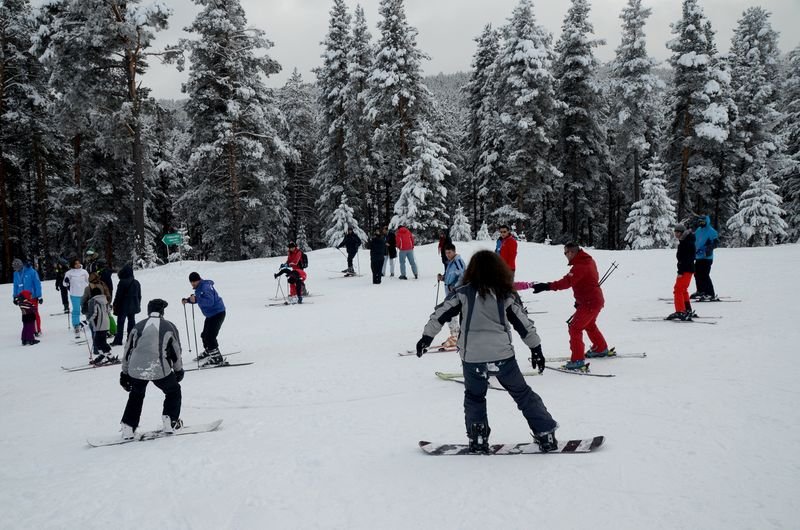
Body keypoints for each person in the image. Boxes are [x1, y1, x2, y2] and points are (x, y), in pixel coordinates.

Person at [415, 250, 558, 453]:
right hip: (503, 356)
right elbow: (523, 323)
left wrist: (426, 337)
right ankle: (546, 433)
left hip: (472, 357)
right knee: (523, 394)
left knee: (475, 397)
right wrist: (536, 348)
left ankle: (479, 437)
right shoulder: (506, 293)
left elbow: (440, 314)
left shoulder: (462, 293)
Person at [519, 242, 609, 372]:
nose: (565, 256)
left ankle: (577, 361)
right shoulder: (587, 260)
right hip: (592, 300)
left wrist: (546, 286)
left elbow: (566, 282)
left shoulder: (581, 266)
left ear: (571, 252)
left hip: (590, 302)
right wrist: (580, 300)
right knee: (589, 324)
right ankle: (600, 348)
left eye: (565, 253)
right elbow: (585, 282)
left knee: (575, 327)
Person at [119, 299, 184, 440]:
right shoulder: (169, 326)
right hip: (159, 368)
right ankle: (170, 421)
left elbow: (128, 349)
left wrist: (124, 373)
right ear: (162, 312)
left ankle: (128, 427)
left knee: (136, 395)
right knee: (173, 391)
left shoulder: (138, 326)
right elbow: (176, 350)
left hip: (136, 369)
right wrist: (178, 370)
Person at [182, 272, 226, 365]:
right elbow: (200, 298)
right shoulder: (199, 287)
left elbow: (209, 302)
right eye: (191, 282)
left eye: (195, 281)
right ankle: (209, 350)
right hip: (211, 314)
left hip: (217, 313)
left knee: (210, 336)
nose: (193, 283)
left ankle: (217, 357)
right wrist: (188, 300)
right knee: (204, 335)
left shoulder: (205, 287)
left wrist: (196, 299)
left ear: (199, 279)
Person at [435, 243, 466, 347]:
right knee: (450, 314)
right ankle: (455, 335)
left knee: (449, 313)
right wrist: (443, 278)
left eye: (449, 252)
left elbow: (462, 276)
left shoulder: (458, 262)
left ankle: (456, 336)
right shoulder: (451, 262)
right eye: (446, 253)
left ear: (454, 251)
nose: (447, 255)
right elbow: (451, 276)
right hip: (450, 293)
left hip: (456, 293)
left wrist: (455, 287)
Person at [668, 223, 696, 321]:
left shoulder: (686, 243)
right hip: (688, 269)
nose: (675, 234)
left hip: (686, 270)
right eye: (675, 232)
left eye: (677, 232)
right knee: (683, 289)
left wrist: (680, 271)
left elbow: (686, 258)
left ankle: (680, 311)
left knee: (678, 289)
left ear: (681, 232)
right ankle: (687, 309)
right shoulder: (686, 240)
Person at [111, 264, 142, 346]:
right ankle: (130, 338)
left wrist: (115, 304)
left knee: (120, 323)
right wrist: (138, 304)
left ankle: (118, 340)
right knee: (131, 322)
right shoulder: (136, 282)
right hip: (133, 306)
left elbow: (118, 295)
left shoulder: (122, 282)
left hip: (123, 306)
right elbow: (139, 295)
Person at [692, 215, 720, 301]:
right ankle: (700, 291)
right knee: (697, 274)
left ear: (707, 222)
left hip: (707, 258)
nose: (701, 223)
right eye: (700, 222)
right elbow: (694, 241)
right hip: (698, 257)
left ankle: (710, 293)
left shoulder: (712, 231)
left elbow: (715, 243)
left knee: (704, 275)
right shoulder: (698, 230)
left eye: (703, 222)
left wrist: (706, 249)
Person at [12, 258, 43, 336]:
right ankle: (29, 330)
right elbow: (15, 286)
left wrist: (39, 296)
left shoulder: (32, 272)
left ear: (21, 265)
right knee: (25, 315)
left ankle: (37, 330)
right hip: (21, 297)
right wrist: (15, 296)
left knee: (34, 313)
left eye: (17, 267)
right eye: (15, 268)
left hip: (32, 297)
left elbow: (37, 284)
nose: (16, 269)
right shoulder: (15, 274)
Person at [87, 287, 115, 365]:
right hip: (106, 323)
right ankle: (103, 355)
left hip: (99, 324)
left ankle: (110, 356)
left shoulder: (93, 301)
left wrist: (87, 320)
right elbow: (109, 311)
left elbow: (93, 313)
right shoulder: (105, 300)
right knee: (101, 341)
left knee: (99, 342)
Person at [63, 258, 90, 337]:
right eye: (76, 263)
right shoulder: (69, 273)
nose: (78, 265)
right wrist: (66, 281)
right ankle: (76, 325)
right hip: (75, 294)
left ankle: (90, 321)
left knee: (87, 309)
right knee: (76, 310)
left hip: (85, 293)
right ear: (73, 265)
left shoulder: (84, 272)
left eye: (78, 263)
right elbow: (64, 284)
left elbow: (89, 281)